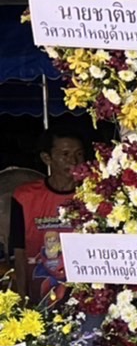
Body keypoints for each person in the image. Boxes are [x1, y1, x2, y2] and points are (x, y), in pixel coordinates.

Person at [10, 130, 86, 304]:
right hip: (39, 297)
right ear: (47, 158)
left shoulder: (94, 196)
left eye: (79, 154)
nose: (73, 161)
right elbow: (19, 250)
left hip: (83, 296)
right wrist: (22, 298)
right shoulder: (25, 196)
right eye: (65, 154)